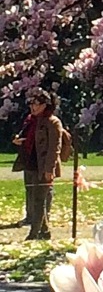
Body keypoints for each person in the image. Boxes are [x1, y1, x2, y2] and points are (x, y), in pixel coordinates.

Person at [12, 90, 67, 242]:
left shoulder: (53, 122)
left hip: (43, 166)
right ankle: (45, 231)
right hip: (30, 163)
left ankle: (33, 233)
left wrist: (50, 169)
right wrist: (18, 139)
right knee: (32, 196)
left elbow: (54, 148)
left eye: (36, 104)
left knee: (39, 199)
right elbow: (24, 136)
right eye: (31, 103)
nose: (32, 107)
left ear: (44, 105)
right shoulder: (31, 120)